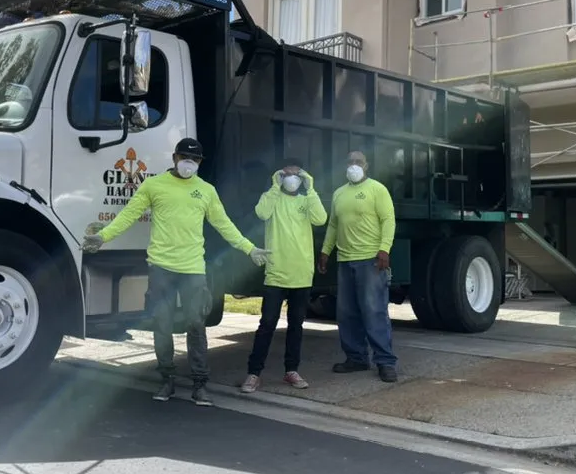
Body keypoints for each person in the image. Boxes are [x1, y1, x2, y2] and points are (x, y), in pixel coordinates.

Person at [83, 138, 270, 406]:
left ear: (200, 162)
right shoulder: (154, 185)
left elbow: (224, 225)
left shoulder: (206, 191)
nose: (188, 163)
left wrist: (249, 249)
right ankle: (166, 379)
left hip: (193, 269)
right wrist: (103, 237)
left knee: (196, 326)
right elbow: (129, 215)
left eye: (194, 159)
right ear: (174, 158)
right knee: (162, 325)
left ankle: (199, 384)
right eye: (184, 157)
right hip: (161, 267)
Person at [240, 158, 328, 394]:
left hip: (301, 274)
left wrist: (311, 189)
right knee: (267, 324)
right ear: (279, 176)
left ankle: (292, 370)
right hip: (276, 273)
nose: (291, 179)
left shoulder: (306, 200)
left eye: (296, 175)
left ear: (302, 178)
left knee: (296, 325)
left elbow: (320, 218)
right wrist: (274, 187)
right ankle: (254, 373)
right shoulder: (272, 198)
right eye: (286, 174)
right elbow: (261, 213)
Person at [318, 150, 398, 382]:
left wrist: (384, 249)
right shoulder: (339, 194)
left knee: (374, 312)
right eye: (350, 161)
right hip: (345, 261)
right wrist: (325, 251)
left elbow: (388, 220)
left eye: (358, 162)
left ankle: (385, 362)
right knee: (347, 313)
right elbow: (333, 225)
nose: (354, 165)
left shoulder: (377, 189)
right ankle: (356, 358)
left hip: (371, 260)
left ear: (366, 165)